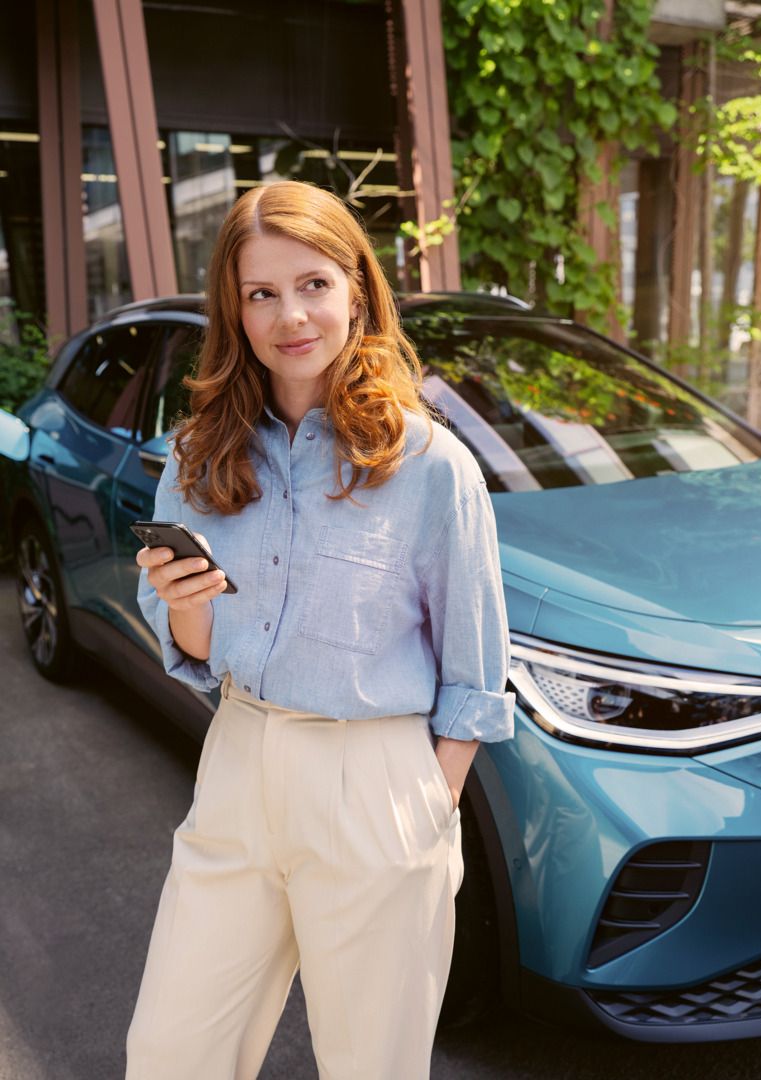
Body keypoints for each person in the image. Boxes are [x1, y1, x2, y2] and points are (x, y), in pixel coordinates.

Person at [125, 180, 515, 1079]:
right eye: (260, 293)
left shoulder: (429, 465)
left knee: (370, 1066)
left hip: (375, 778)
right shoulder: (198, 457)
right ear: (234, 310)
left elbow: (474, 672)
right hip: (239, 757)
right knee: (170, 1053)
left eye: (311, 285)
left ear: (356, 291)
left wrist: (423, 804)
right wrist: (185, 602)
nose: (289, 315)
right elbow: (190, 651)